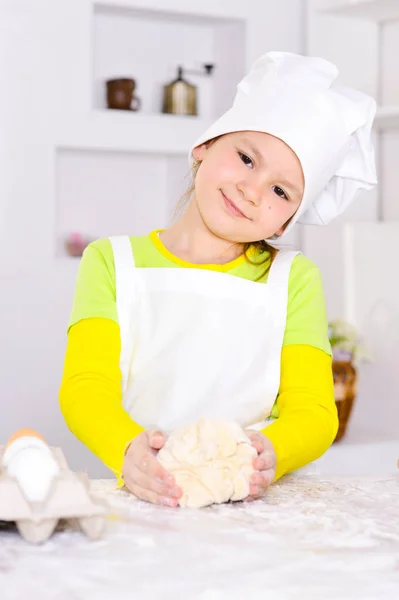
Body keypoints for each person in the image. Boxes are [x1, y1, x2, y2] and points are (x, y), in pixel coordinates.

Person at [59, 52, 377, 508]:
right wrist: (128, 450)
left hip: (253, 512)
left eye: (281, 190)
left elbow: (314, 410)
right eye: (247, 158)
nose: (252, 190)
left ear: (285, 222)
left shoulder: (294, 280)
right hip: (144, 500)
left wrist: (274, 452)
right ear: (204, 146)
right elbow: (85, 387)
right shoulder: (111, 261)